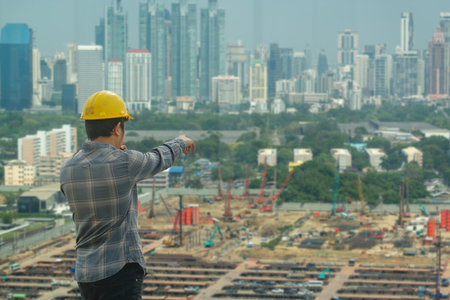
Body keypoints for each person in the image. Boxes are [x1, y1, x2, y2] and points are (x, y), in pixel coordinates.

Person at [60, 90, 195, 300]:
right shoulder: (124, 163)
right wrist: (181, 141)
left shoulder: (68, 167)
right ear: (116, 127)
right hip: (118, 271)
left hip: (86, 273)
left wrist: (118, 156)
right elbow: (157, 158)